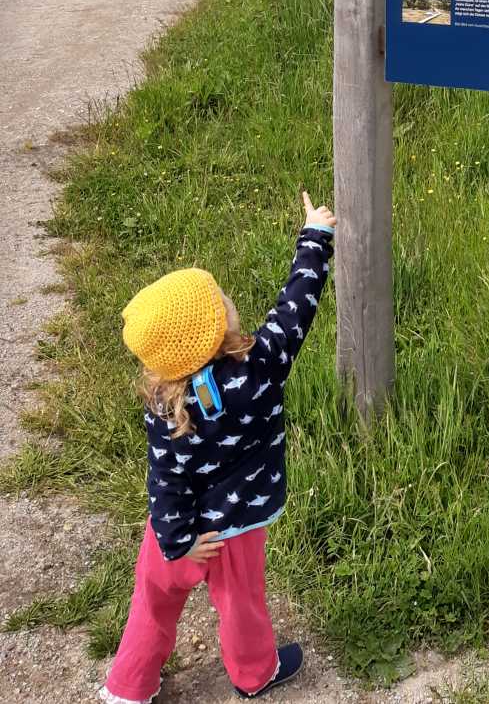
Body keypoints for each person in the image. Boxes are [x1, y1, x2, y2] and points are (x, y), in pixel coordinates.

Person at [99, 191, 337, 703]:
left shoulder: (165, 403)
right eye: (220, 300)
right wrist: (315, 235)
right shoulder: (260, 367)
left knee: (153, 599)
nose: (229, 300)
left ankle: (128, 686)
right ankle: (255, 673)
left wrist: (177, 540)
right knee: (241, 604)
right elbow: (295, 309)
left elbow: (164, 478)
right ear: (212, 332)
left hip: (177, 530)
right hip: (236, 527)